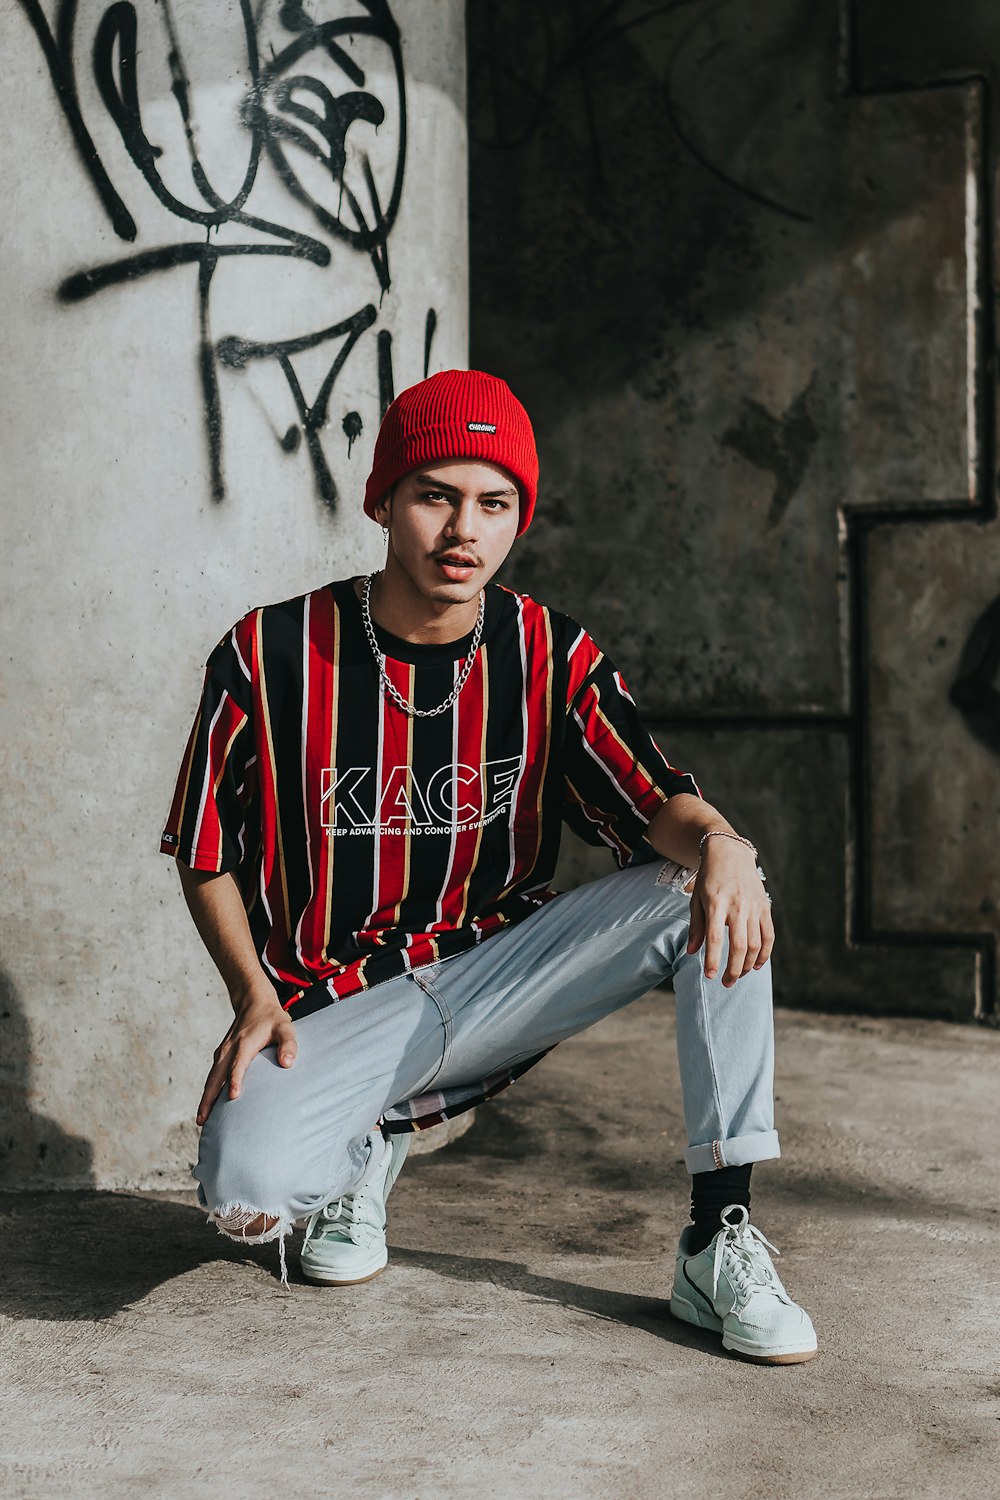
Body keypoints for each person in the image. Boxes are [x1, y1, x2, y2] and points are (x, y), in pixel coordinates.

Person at [161, 369, 817, 1365]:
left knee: (719, 897)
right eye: (435, 495)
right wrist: (252, 994)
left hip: (501, 970)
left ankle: (715, 1238)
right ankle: (361, 1142)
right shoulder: (271, 651)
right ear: (383, 499)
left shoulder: (549, 652)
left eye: (494, 502)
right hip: (338, 1002)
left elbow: (652, 801)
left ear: (519, 518)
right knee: (245, 1193)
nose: (463, 528)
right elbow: (205, 850)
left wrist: (726, 846)